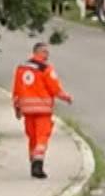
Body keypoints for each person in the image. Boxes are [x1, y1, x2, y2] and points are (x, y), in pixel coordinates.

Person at [12, 41, 72, 179]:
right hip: (43, 110)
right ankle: (38, 164)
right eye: (45, 51)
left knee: (32, 138)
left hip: (28, 111)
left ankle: (33, 162)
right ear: (37, 52)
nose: (47, 54)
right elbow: (54, 88)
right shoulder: (45, 69)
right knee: (41, 137)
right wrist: (65, 97)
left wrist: (17, 108)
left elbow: (16, 89)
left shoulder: (21, 68)